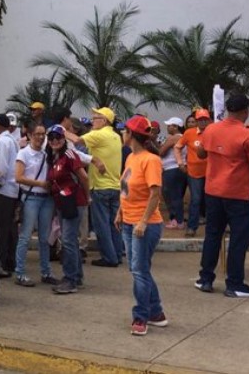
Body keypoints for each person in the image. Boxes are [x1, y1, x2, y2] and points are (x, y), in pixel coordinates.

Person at [194, 94, 249, 298]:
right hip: (238, 193)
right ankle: (235, 283)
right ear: (245, 112)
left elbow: (202, 154)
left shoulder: (211, 129)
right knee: (240, 239)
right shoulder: (248, 136)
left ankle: (205, 278)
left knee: (213, 235)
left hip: (213, 191)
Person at [116, 115, 168, 336]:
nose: (122, 134)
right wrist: (120, 212)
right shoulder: (130, 158)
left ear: (131, 134)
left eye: (124, 131)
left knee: (139, 271)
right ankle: (156, 313)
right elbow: (126, 188)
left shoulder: (151, 160)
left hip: (144, 224)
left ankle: (141, 316)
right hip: (129, 221)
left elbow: (155, 193)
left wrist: (143, 221)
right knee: (139, 270)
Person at [65, 107, 123, 267]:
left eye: (95, 117)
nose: (92, 120)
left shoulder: (99, 134)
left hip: (100, 186)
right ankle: (117, 254)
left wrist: (60, 129)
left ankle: (109, 258)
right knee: (113, 223)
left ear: (104, 121)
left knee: (101, 224)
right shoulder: (116, 136)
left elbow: (76, 141)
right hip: (114, 186)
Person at [45, 125, 89, 294]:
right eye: (51, 138)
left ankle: (70, 279)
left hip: (73, 201)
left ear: (64, 139)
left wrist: (87, 197)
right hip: (62, 202)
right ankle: (76, 276)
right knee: (69, 239)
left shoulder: (69, 155)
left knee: (69, 240)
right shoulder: (53, 157)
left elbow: (83, 177)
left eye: (58, 137)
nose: (55, 140)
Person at [13, 122, 58, 286]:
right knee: (25, 236)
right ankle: (20, 272)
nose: (40, 137)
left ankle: (46, 272)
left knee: (44, 238)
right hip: (31, 197)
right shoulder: (23, 154)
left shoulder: (47, 155)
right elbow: (18, 177)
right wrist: (40, 184)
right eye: (37, 134)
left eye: (42, 134)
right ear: (30, 135)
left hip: (46, 199)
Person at [0, 113, 18, 277]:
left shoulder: (2, 141)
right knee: (9, 229)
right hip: (12, 190)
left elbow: (1, 169)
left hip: (4, 190)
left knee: (1, 229)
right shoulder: (11, 140)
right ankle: (10, 262)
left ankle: (3, 264)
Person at [174, 109, 211, 237]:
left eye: (205, 119)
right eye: (200, 120)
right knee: (195, 200)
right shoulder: (189, 133)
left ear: (209, 120)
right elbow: (177, 147)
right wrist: (180, 163)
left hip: (212, 173)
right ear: (196, 121)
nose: (202, 122)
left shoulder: (214, 132)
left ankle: (214, 228)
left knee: (212, 201)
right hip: (194, 173)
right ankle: (191, 227)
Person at [160, 117, 186, 229]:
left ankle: (178, 221)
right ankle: (176, 219)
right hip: (179, 168)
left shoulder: (174, 137)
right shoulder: (183, 137)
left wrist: (152, 143)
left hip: (171, 168)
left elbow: (161, 152)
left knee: (174, 196)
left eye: (170, 125)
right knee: (176, 195)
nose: (168, 127)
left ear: (176, 127)